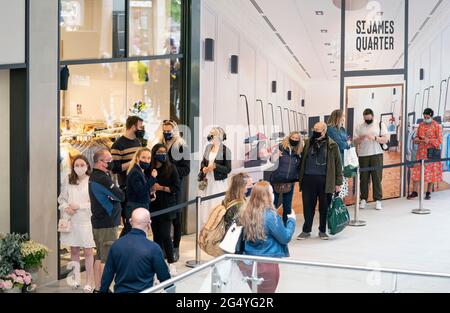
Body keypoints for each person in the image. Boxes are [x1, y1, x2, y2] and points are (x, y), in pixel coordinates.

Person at [239, 181, 296, 293]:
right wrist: (291, 221)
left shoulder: (245, 212)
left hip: (248, 264)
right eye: (271, 192)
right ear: (266, 196)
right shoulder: (270, 216)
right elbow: (285, 237)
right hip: (267, 264)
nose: (273, 194)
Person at [100, 208, 171, 293]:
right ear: (149, 223)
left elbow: (107, 276)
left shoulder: (116, 245)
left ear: (130, 221)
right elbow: (165, 278)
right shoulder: (153, 248)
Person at [297, 122, 343, 241]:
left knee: (324, 207)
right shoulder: (308, 143)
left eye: (318, 130)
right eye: (314, 129)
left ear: (324, 131)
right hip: (308, 179)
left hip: (325, 180)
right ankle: (306, 230)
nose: (316, 131)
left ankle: (322, 230)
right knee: (308, 206)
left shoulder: (332, 145)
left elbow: (338, 165)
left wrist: (338, 183)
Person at [58, 155, 95, 293]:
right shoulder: (68, 179)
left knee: (88, 251)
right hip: (71, 220)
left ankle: (89, 282)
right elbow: (61, 199)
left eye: (82, 165)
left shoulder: (92, 180)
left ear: (87, 166)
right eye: (76, 165)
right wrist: (66, 207)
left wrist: (79, 206)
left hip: (86, 220)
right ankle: (75, 278)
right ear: (73, 167)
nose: (79, 168)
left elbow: (95, 203)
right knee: (73, 250)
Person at [154, 119, 190, 262]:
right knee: (161, 219)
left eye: (169, 130)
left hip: (175, 186)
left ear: (174, 131)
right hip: (159, 188)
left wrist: (171, 169)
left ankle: (175, 248)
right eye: (165, 130)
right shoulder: (159, 144)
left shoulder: (182, 146)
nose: (167, 133)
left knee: (176, 220)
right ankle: (162, 248)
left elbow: (186, 169)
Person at [89, 149, 125, 293]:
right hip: (106, 224)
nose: (111, 163)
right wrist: (116, 194)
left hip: (99, 223)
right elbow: (120, 196)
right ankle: (104, 289)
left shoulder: (96, 176)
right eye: (108, 160)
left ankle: (98, 288)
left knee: (99, 256)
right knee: (107, 259)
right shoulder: (102, 178)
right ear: (100, 162)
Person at [149, 143, 180, 276]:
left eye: (164, 152)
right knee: (156, 236)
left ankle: (171, 263)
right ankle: (158, 263)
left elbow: (176, 188)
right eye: (159, 152)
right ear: (154, 153)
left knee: (166, 235)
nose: (162, 154)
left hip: (167, 206)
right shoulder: (149, 168)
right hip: (153, 206)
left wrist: (160, 187)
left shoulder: (171, 168)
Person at [111, 116, 144, 237]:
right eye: (140, 127)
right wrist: (133, 162)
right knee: (130, 223)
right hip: (127, 187)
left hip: (140, 184)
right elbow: (115, 168)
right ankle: (121, 248)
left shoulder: (138, 141)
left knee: (138, 223)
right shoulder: (118, 145)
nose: (142, 129)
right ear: (133, 127)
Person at [354, 109, 389, 210]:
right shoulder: (360, 126)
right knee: (363, 178)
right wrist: (361, 138)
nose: (367, 120)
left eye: (369, 119)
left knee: (377, 177)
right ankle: (363, 199)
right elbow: (355, 141)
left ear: (373, 116)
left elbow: (386, 139)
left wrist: (374, 138)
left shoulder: (380, 124)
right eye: (366, 119)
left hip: (376, 153)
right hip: (363, 154)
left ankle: (378, 200)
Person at [407, 108, 443, 200]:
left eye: (427, 116)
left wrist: (429, 140)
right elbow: (417, 136)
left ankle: (428, 192)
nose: (425, 117)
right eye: (424, 116)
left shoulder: (437, 126)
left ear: (431, 116)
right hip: (420, 152)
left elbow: (439, 141)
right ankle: (415, 192)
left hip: (431, 153)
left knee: (430, 172)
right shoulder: (421, 125)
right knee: (417, 171)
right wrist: (416, 139)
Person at [199, 127, 232, 224]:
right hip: (208, 180)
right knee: (207, 204)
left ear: (219, 136)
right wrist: (203, 168)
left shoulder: (226, 150)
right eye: (210, 133)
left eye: (212, 133)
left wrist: (215, 166)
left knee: (216, 203)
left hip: (219, 183)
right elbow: (203, 162)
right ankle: (207, 224)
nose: (210, 135)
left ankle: (217, 224)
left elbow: (228, 169)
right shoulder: (208, 147)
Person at [269, 132, 302, 225]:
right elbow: (270, 160)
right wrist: (274, 156)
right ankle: (272, 225)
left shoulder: (299, 152)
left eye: (297, 138)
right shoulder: (280, 147)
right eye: (293, 137)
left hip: (289, 181)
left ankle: (285, 225)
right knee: (273, 204)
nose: (294, 139)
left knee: (287, 206)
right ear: (289, 137)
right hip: (276, 179)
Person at [125, 148, 158, 227]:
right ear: (137, 158)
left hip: (139, 206)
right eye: (143, 157)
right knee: (133, 232)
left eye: (149, 158)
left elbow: (141, 189)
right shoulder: (135, 172)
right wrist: (152, 178)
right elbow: (140, 191)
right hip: (136, 207)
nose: (146, 160)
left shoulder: (139, 171)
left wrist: (150, 192)